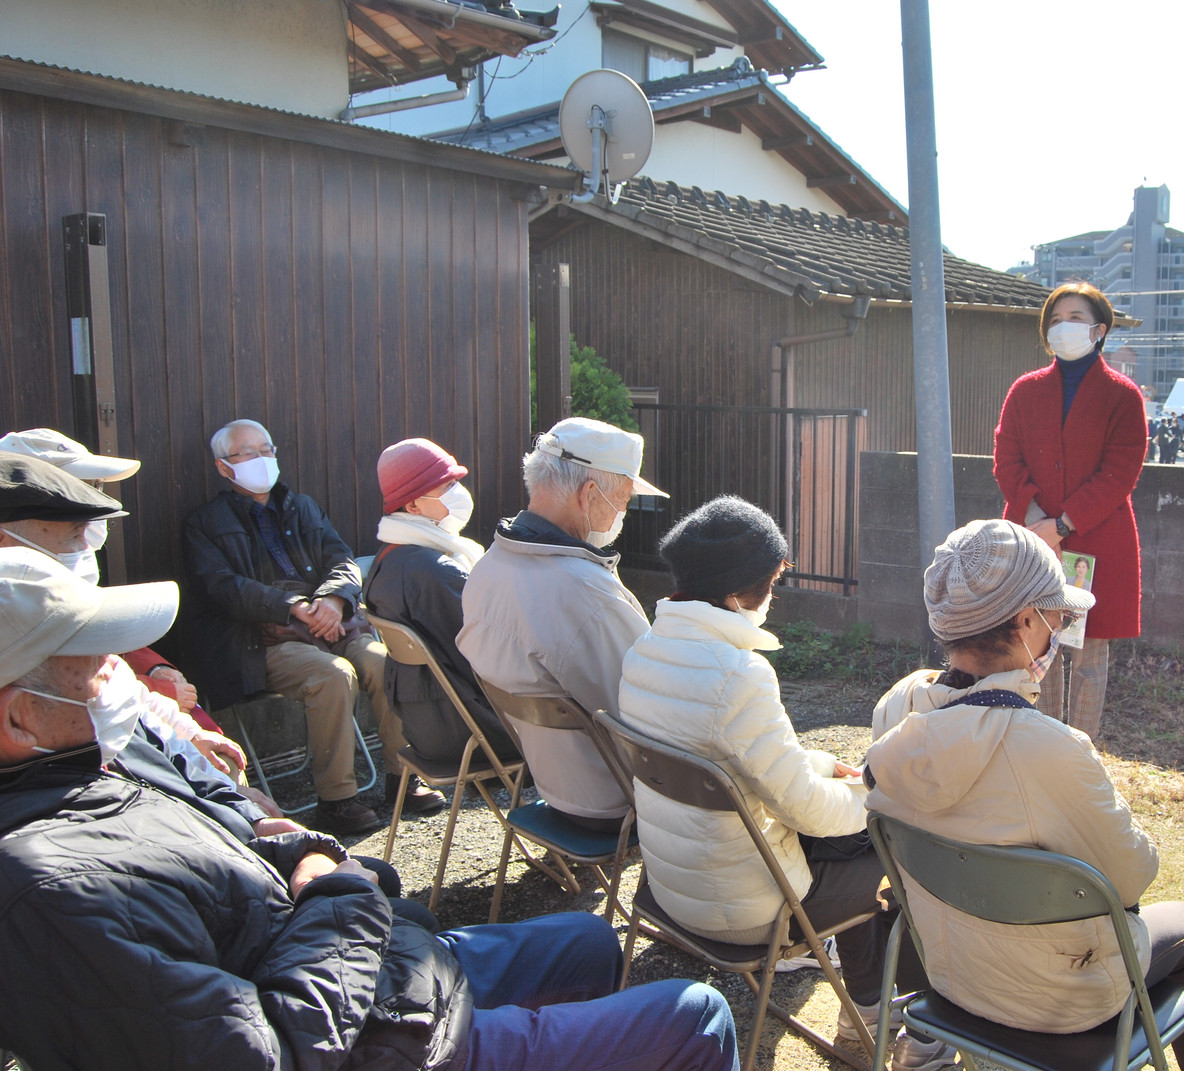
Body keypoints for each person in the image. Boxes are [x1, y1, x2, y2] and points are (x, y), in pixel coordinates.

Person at [0, 549, 740, 1071]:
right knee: (697, 1012)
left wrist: (297, 854)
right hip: (383, 1037)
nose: (123, 676)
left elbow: (249, 832)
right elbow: (267, 1052)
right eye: (95, 663)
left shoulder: (89, 769)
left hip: (378, 974)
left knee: (591, 940)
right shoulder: (48, 886)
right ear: (20, 717)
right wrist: (336, 883)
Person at [867, 519, 1184, 1070]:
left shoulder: (897, 713)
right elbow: (1133, 876)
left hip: (949, 971)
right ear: (1026, 620)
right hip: (1060, 999)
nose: (1060, 627)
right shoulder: (1051, 748)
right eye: (1056, 614)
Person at [617, 496, 955, 1071]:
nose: (773, 595)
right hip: (748, 908)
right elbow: (809, 812)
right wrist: (875, 796)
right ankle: (895, 1025)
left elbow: (736, 759)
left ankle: (868, 1009)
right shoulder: (739, 673)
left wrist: (823, 765)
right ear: (734, 592)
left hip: (672, 885)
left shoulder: (646, 651)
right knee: (901, 851)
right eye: (771, 581)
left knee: (854, 832)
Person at [182, 419, 433, 836]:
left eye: (267, 449)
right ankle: (337, 801)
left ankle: (404, 778)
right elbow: (221, 588)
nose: (262, 459)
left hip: (332, 624)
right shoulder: (204, 522)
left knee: (388, 662)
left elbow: (342, 559)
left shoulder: (303, 506)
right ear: (224, 467)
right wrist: (293, 607)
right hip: (260, 639)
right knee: (332, 677)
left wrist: (334, 599)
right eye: (249, 453)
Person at [458, 417, 667, 833]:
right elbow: (650, 709)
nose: (624, 511)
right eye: (624, 499)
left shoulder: (487, 568)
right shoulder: (584, 591)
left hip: (552, 787)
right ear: (590, 494)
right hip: (617, 800)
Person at [993, 281, 1145, 739]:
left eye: (1075, 318)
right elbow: (1007, 456)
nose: (1064, 327)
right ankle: (1043, 744)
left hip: (1098, 538)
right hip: (1032, 536)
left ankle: (1080, 749)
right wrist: (1037, 517)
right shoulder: (1026, 390)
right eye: (1056, 320)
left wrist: (1061, 524)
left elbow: (1120, 471)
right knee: (1037, 646)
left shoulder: (1122, 395)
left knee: (1089, 654)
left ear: (1099, 330)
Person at [0, 428, 221, 731]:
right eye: (79, 486)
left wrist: (154, 667)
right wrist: (158, 692)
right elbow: (69, 689)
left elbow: (96, 632)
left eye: (97, 486)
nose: (91, 502)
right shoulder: (15, 597)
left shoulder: (57, 559)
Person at [364, 438, 517, 768]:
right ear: (413, 507)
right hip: (470, 732)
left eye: (456, 482)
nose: (458, 492)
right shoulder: (433, 571)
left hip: (430, 724)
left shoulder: (391, 558)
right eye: (446, 486)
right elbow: (487, 658)